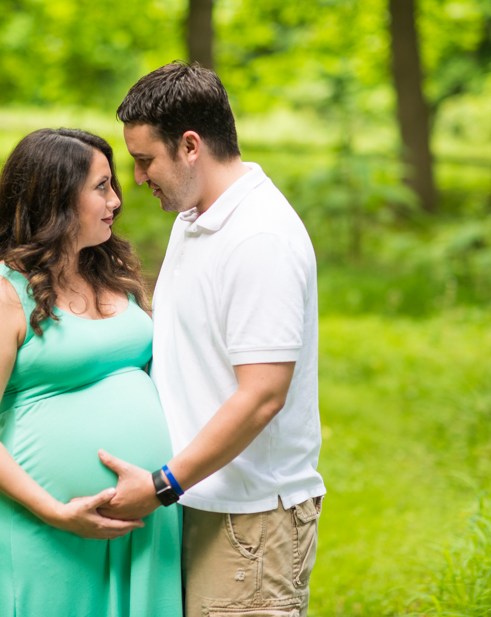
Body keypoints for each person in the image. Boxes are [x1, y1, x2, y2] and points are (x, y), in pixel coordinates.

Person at [97, 62, 325, 617]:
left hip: (248, 520)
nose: (138, 180)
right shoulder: (197, 219)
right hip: (198, 498)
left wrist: (161, 484)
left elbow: (263, 395)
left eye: (145, 160)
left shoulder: (260, 238)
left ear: (191, 146)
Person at [0, 128, 182, 617]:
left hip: (138, 527)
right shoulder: (1, 292)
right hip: (39, 528)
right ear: (55, 195)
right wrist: (56, 511)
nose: (116, 199)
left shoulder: (109, 273)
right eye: (101, 187)